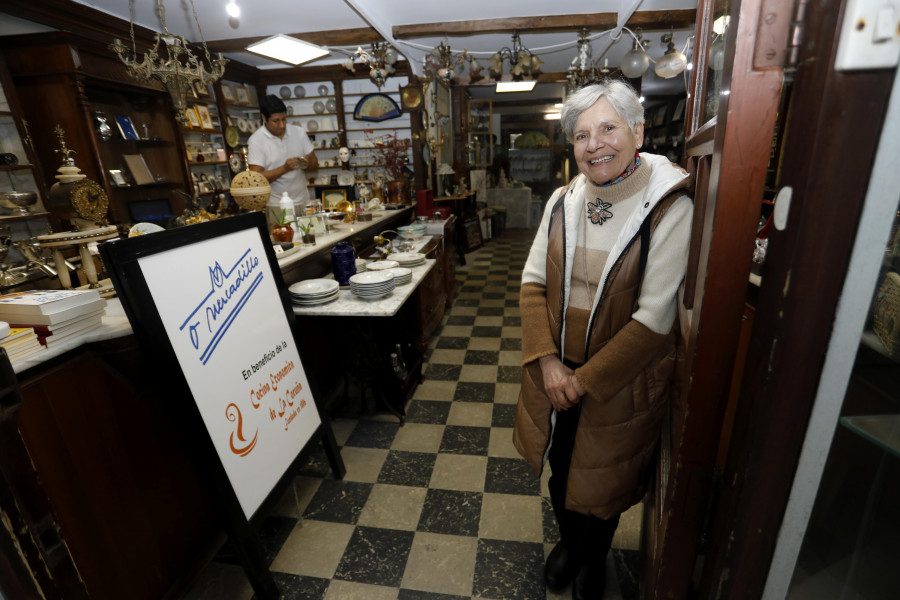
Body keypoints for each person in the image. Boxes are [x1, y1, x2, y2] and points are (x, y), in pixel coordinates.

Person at [513, 79, 693, 600]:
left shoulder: (669, 206)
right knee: (562, 469)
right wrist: (549, 365)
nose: (595, 144)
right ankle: (571, 546)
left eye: (608, 128)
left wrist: (583, 381)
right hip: (557, 369)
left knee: (605, 482)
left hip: (618, 377)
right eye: (581, 134)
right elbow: (532, 285)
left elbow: (653, 321)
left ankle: (592, 558)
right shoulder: (562, 200)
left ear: (637, 132)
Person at [248, 94, 319, 206]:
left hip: (303, 202)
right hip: (276, 205)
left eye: (284, 119)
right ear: (264, 118)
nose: (282, 125)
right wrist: (284, 168)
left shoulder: (298, 132)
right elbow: (256, 180)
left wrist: (305, 163)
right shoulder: (256, 140)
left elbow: (315, 163)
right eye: (276, 121)